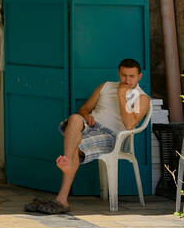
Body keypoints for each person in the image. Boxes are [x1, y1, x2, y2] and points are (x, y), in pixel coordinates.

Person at [26, 59, 150, 215]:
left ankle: (62, 197)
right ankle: (68, 159)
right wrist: (87, 116)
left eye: (132, 76)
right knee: (75, 118)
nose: (127, 80)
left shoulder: (140, 97)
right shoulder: (106, 86)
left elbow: (130, 125)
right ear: (119, 73)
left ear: (139, 76)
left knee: (76, 149)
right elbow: (84, 109)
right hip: (90, 126)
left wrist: (121, 96)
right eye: (124, 75)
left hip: (111, 135)